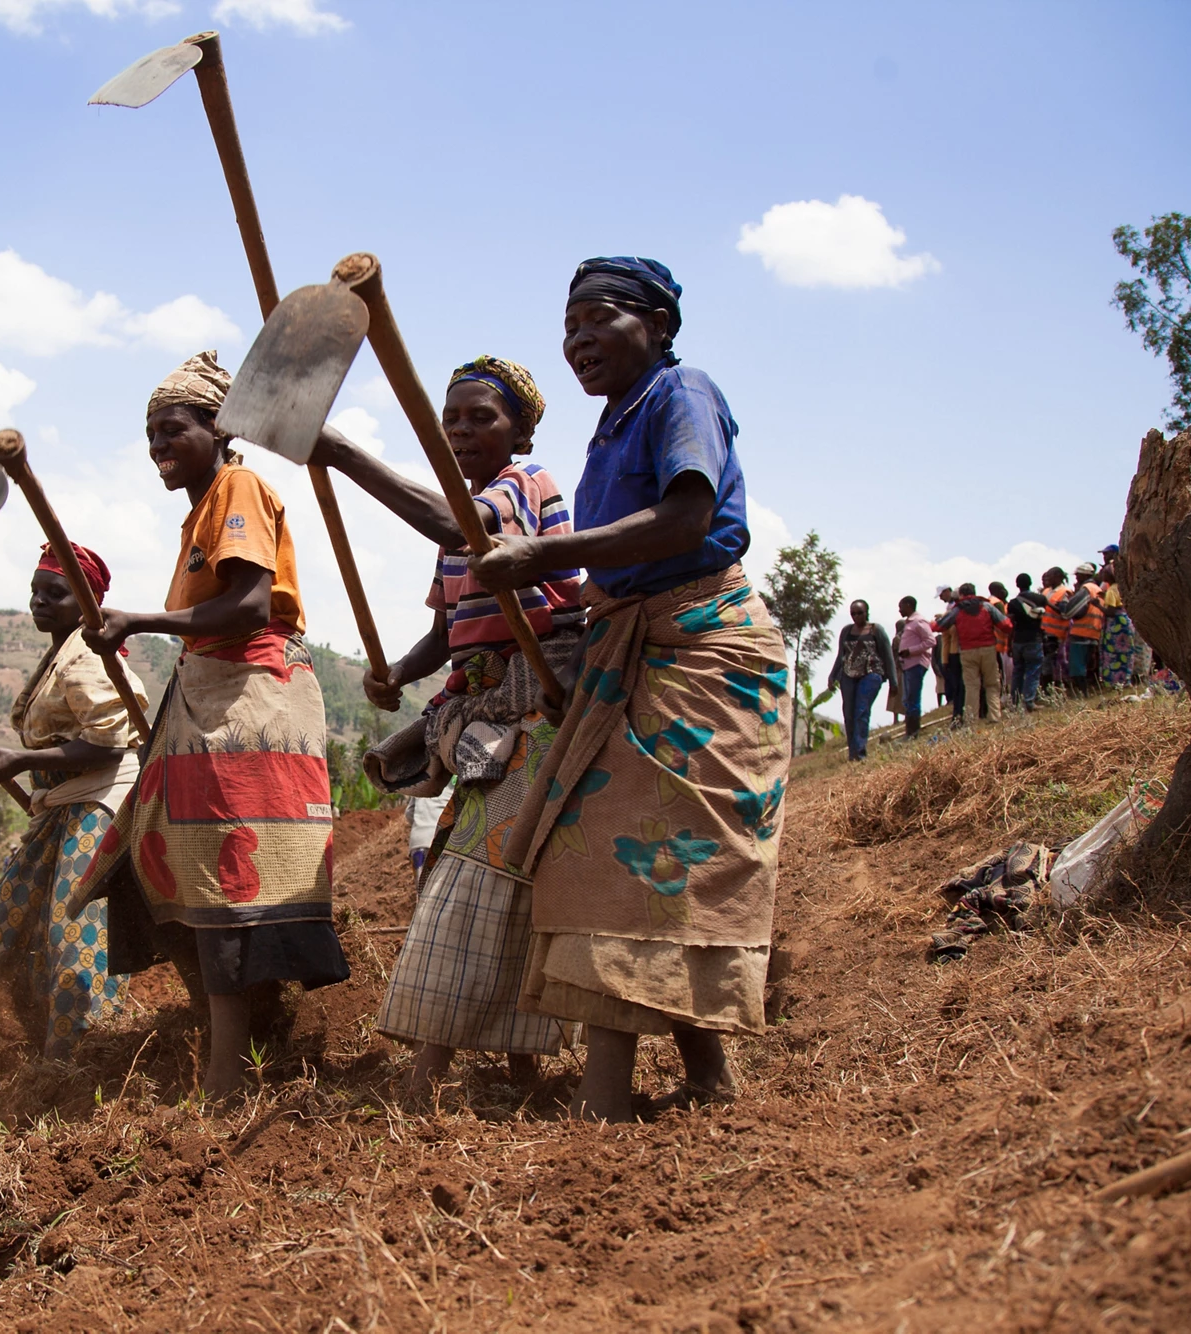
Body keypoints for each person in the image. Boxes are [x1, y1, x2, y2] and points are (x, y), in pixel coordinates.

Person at [468, 256, 790, 1123]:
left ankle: (604, 1107)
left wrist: (545, 556)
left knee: (632, 855)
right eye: (567, 326)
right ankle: (706, 1080)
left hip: (700, 648)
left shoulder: (682, 393)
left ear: (658, 323)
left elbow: (687, 520)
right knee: (630, 861)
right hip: (632, 647)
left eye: (596, 319)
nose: (577, 340)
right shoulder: (612, 426)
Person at [73, 350, 349, 1100]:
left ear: (219, 428)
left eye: (173, 430)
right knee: (170, 862)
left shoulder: (238, 485)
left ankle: (230, 1071)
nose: (160, 447)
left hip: (248, 706)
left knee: (230, 871)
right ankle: (242, 1032)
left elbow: (250, 605)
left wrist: (144, 618)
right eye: (151, 436)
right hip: (210, 700)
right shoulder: (202, 510)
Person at [311, 354, 583, 1095]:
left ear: (519, 431)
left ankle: (429, 1068)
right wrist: (394, 675)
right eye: (450, 418)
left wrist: (342, 453)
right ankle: (520, 1063)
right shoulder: (462, 518)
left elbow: (454, 523)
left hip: (535, 704)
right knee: (490, 874)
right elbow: (447, 630)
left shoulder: (521, 489)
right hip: (476, 713)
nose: (461, 430)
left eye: (480, 417)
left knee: (476, 871)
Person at [0, 540, 148, 1060]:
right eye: (35, 591)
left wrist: (23, 762)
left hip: (101, 799)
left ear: (85, 603)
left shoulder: (89, 658)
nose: (39, 601)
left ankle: (82, 1054)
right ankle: (5, 1039)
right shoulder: (61, 653)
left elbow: (112, 741)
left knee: (75, 930)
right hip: (62, 802)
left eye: (55, 592)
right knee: (11, 906)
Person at [828, 600, 897, 760]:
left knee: (861, 711)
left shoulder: (876, 630)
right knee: (849, 713)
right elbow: (841, 655)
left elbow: (887, 655)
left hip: (871, 674)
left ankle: (860, 753)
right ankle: (852, 752)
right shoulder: (846, 631)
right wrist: (832, 676)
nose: (856, 616)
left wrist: (893, 681)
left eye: (860, 613)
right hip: (848, 675)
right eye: (853, 613)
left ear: (867, 612)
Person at [946, 583, 1006, 723]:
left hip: (967, 651)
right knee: (991, 683)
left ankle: (971, 720)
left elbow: (941, 625)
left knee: (972, 686)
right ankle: (995, 716)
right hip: (988, 649)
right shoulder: (987, 606)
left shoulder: (957, 610)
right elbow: (1005, 624)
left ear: (961, 595)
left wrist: (932, 623)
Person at [1097, 544, 1151, 688]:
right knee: (1129, 650)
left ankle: (1120, 681)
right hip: (1128, 619)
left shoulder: (1113, 587)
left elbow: (1112, 610)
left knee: (1118, 651)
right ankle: (1132, 678)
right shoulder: (1119, 586)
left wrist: (1097, 605)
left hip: (1119, 622)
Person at [892, 595, 935, 738]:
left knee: (913, 699)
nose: (899, 610)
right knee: (908, 699)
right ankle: (909, 732)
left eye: (901, 606)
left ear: (909, 605)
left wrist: (911, 651)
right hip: (908, 665)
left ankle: (913, 732)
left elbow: (930, 641)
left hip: (916, 664)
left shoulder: (918, 621)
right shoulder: (909, 623)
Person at [1006, 573, 1048, 710]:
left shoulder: (1013, 603)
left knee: (1018, 671)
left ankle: (1015, 702)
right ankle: (1029, 701)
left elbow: (1011, 624)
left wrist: (1009, 643)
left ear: (1017, 585)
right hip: (1034, 639)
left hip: (1018, 640)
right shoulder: (1040, 599)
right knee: (1033, 670)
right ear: (1030, 583)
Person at [1063, 562, 1106, 694]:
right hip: (1094, 631)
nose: (1076, 578)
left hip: (1081, 631)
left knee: (1077, 665)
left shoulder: (1086, 588)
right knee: (1087, 664)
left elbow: (1071, 610)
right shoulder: (1097, 589)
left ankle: (1083, 693)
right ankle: (1088, 691)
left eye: (1078, 575)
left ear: (1083, 575)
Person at [931, 586, 967, 723]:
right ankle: (959, 714)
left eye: (941, 595)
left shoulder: (956, 611)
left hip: (957, 651)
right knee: (959, 686)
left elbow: (944, 630)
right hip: (956, 650)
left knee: (961, 686)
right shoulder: (953, 610)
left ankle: (960, 715)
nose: (941, 598)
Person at [1039, 566, 1072, 693]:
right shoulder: (1046, 591)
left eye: (1050, 576)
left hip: (1057, 633)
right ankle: (1047, 690)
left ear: (1058, 577)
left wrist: (1048, 604)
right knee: (1046, 663)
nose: (1048, 578)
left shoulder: (1065, 592)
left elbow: (1065, 613)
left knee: (1055, 663)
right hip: (1044, 632)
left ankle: (1055, 690)